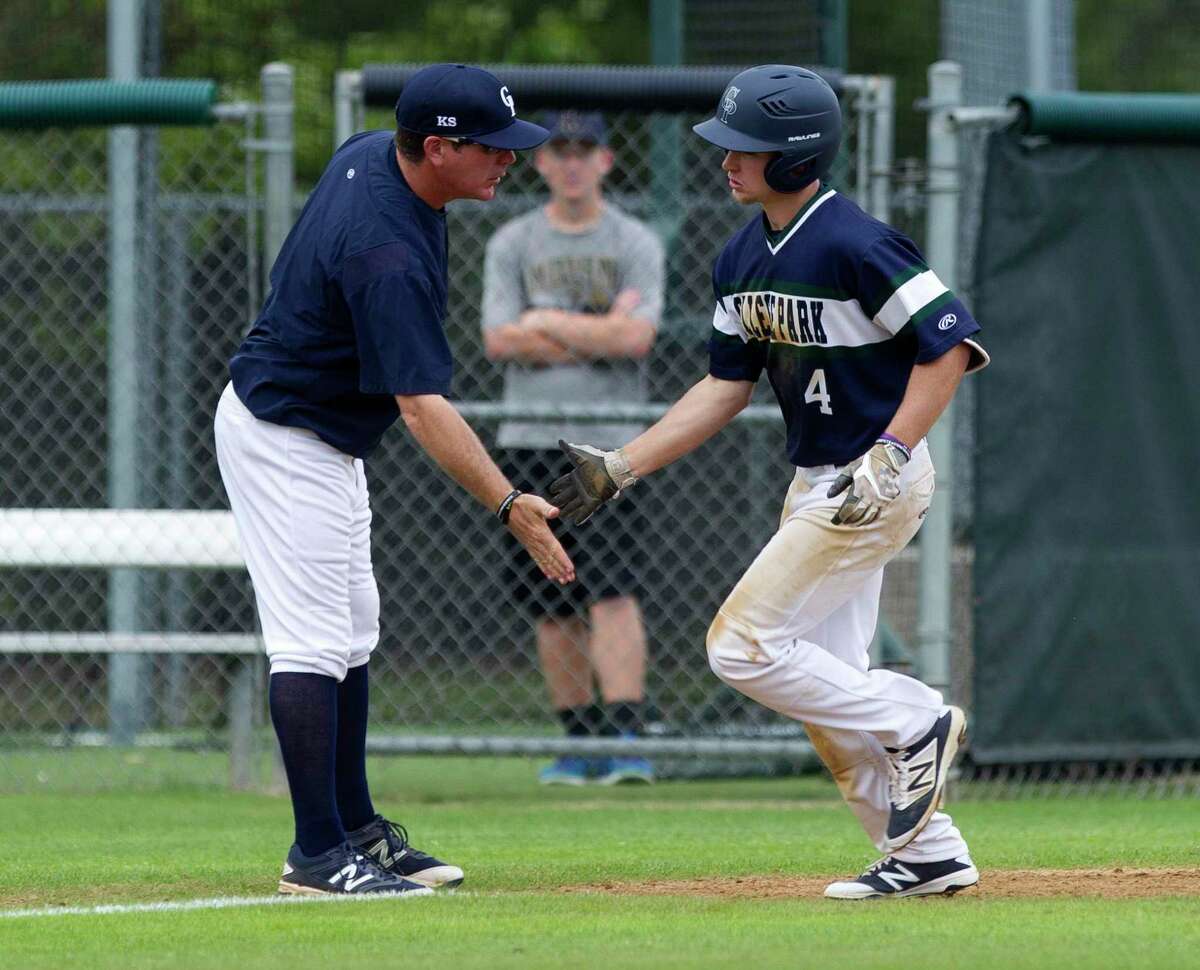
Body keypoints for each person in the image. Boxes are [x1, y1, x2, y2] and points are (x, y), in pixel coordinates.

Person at [551, 65, 989, 900]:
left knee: (740, 647)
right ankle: (929, 854)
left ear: (794, 157)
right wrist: (622, 464)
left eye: (742, 148)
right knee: (828, 691)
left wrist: (891, 450)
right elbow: (725, 387)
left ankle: (917, 721)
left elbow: (951, 346)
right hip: (815, 481)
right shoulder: (741, 255)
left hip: (873, 475)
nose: (725, 161)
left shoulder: (857, 241)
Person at [215, 63, 573, 897]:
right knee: (309, 641)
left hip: (320, 433)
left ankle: (355, 830)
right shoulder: (386, 253)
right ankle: (316, 854)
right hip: (284, 433)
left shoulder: (376, 148)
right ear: (438, 147)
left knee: (353, 632)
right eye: (492, 149)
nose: (508, 163)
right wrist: (511, 503)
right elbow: (422, 410)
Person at [481, 111, 665, 786]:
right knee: (550, 596)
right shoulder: (512, 241)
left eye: (584, 150)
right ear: (541, 162)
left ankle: (627, 739)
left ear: (606, 161)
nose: (572, 163)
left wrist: (546, 323)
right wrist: (598, 327)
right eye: (559, 152)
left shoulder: (636, 240)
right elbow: (499, 339)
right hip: (528, 439)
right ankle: (579, 741)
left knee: (612, 591)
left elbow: (636, 340)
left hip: (609, 447)